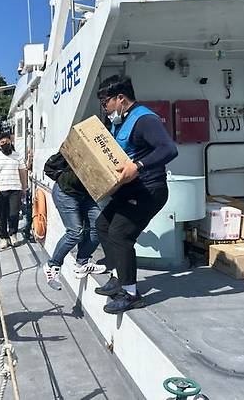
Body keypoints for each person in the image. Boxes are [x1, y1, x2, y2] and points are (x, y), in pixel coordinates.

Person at [94, 76, 178, 314]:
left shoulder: (145, 120)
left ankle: (131, 294)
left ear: (121, 98)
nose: (105, 107)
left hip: (148, 191)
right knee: (102, 225)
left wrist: (138, 165)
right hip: (129, 191)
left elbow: (169, 149)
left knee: (120, 235)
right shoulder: (120, 122)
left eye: (106, 102)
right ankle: (116, 276)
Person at [43, 153, 107, 290]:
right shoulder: (85, 146)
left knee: (99, 226)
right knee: (75, 232)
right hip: (66, 192)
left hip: (87, 194)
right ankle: (52, 266)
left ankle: (82, 262)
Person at [0, 134, 27, 249]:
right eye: (2, 143)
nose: (5, 144)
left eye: (7, 142)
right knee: (2, 215)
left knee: (14, 213)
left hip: (15, 188)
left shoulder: (17, 156)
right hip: (1, 189)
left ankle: (13, 234)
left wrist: (24, 187)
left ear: (10, 141)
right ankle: (4, 237)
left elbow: (23, 172)